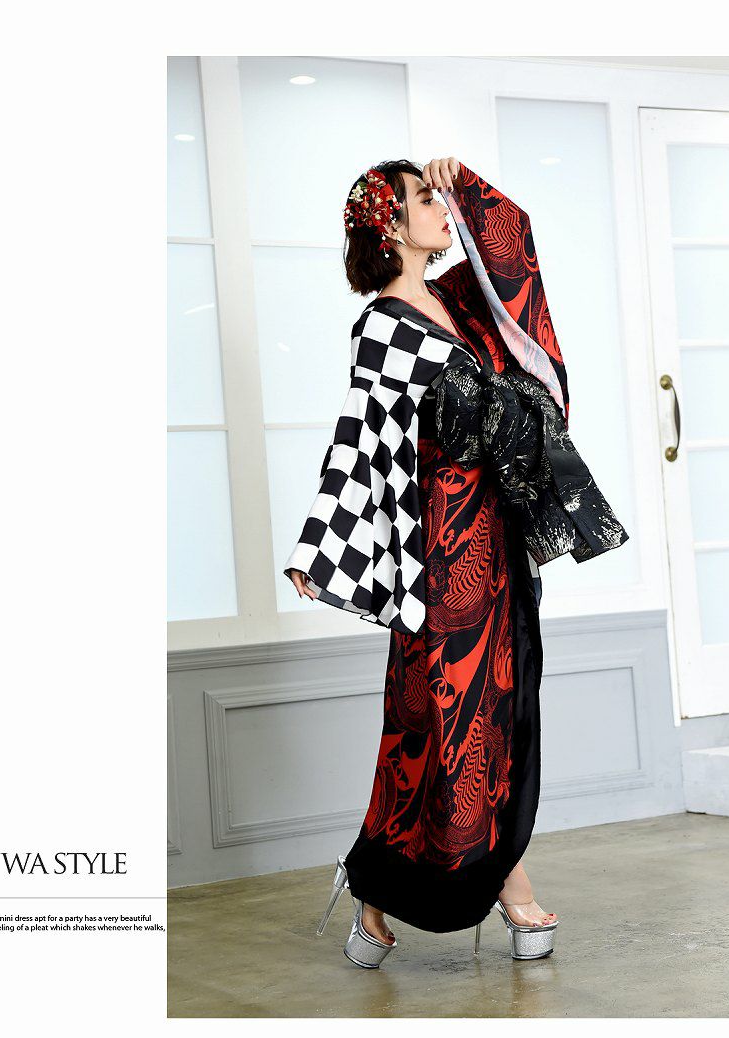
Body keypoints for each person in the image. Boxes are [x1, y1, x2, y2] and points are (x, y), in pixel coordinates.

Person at [284, 156, 628, 967]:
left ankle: (385, 902)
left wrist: (467, 184)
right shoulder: (382, 326)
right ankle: (480, 892)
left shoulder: (457, 304)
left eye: (438, 197)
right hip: (437, 555)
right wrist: (317, 547)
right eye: (423, 198)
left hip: (493, 541)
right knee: (444, 727)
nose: (439, 208)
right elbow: (357, 439)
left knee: (493, 720)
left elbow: (514, 255)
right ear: (388, 224)